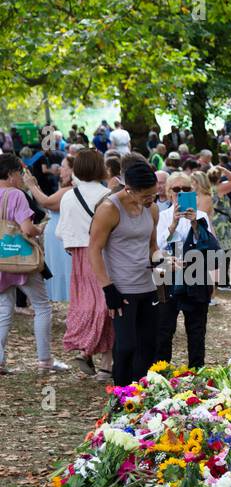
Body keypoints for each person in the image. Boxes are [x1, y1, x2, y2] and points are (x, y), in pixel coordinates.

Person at [87, 159, 161, 386]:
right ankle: (121, 391)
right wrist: (108, 288)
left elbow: (152, 247)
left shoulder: (152, 209)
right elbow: (94, 249)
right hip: (121, 288)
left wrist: (164, 262)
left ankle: (140, 391)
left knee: (148, 344)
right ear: (129, 189)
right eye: (146, 195)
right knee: (126, 345)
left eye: (154, 194)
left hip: (148, 285)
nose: (151, 200)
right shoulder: (109, 209)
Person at [0, 155, 67, 373]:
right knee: (42, 306)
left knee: (3, 309)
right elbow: (28, 229)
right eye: (19, 173)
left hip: (1, 260)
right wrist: (41, 229)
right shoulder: (15, 195)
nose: (21, 178)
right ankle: (44, 361)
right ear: (10, 174)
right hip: (21, 260)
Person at [55, 148, 114, 376]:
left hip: (78, 258)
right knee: (107, 305)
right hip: (102, 254)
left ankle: (86, 351)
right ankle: (105, 364)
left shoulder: (68, 196)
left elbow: (61, 232)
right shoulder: (108, 195)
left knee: (85, 305)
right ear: (101, 167)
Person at [154, 171, 213, 368]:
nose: (180, 193)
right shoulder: (161, 216)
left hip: (195, 276)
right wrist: (173, 225)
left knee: (196, 331)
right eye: (176, 189)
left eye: (185, 189)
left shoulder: (202, 216)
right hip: (166, 276)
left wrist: (195, 223)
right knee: (163, 329)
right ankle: (161, 375)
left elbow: (210, 247)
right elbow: (155, 246)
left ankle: (197, 373)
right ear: (169, 193)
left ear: (192, 192)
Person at [24, 158, 72, 304]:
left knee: (64, 268)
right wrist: (36, 186)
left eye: (63, 167)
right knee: (58, 268)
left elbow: (47, 202)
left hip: (61, 236)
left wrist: (32, 186)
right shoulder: (66, 187)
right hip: (56, 234)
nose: (59, 170)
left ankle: (68, 299)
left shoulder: (68, 190)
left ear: (72, 170)